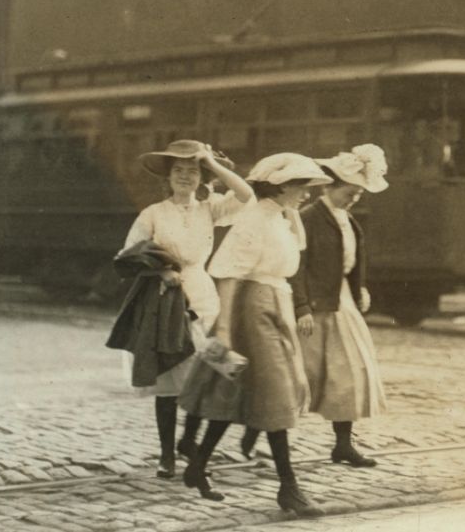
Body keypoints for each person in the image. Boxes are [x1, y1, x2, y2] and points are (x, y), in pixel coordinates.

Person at [178, 153, 331, 516]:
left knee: (240, 391)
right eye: (301, 187)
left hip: (276, 305)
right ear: (279, 186)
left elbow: (297, 254)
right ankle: (289, 488)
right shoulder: (255, 220)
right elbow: (229, 275)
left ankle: (197, 464)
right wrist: (226, 331)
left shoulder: (279, 217)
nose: (307, 195)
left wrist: (291, 212)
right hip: (252, 310)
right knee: (276, 394)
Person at [117, 139, 254, 479]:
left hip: (205, 297)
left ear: (201, 178)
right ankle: (167, 455)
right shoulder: (153, 213)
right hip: (165, 300)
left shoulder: (211, 208)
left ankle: (189, 439)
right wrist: (161, 269)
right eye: (178, 171)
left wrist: (211, 162)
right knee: (168, 379)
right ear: (168, 177)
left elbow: (247, 196)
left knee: (213, 371)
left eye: (192, 172)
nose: (185, 177)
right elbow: (129, 254)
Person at [290, 143, 388, 467]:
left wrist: (360, 289)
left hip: (341, 302)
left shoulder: (348, 221)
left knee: (349, 371)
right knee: (300, 376)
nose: (355, 197)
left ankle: (343, 444)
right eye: (351, 191)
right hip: (316, 306)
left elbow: (349, 261)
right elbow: (297, 267)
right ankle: (261, 435)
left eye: (360, 193)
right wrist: (302, 307)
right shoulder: (309, 218)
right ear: (331, 185)